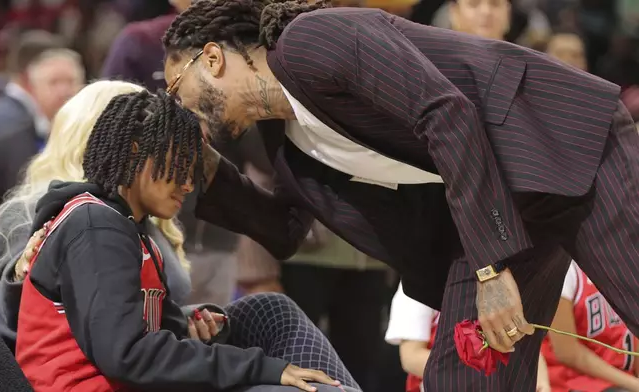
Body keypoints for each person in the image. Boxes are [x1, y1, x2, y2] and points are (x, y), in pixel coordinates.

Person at [124, 0, 639, 390]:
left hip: (567, 144)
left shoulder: (312, 38)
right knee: (462, 377)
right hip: (503, 203)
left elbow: (446, 112)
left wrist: (489, 268)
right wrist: (209, 168)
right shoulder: (285, 137)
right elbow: (284, 229)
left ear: (212, 59)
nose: (181, 109)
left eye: (176, 90)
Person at [14, 89, 355, 392]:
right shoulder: (94, 224)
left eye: (192, 172)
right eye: (180, 166)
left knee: (269, 309)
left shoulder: (128, 228)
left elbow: (128, 334)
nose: (189, 185)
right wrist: (260, 367)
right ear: (135, 152)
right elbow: (127, 356)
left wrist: (180, 323)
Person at [0, 81, 193, 352]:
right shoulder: (41, 213)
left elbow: (134, 312)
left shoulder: (137, 211)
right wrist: (21, 271)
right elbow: (19, 316)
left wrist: (188, 319)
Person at [102, 0, 240, 307]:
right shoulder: (141, 40)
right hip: (147, 223)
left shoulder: (242, 44)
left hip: (219, 230)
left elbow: (259, 154)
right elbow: (108, 122)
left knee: (210, 328)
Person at [385, 282, 551, 392]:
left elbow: (524, 342)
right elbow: (411, 357)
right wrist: (484, 379)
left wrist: (539, 379)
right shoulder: (418, 283)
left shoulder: (500, 279)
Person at [0, 30, 84, 203]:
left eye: (71, 81)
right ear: (32, 86)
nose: (64, 91)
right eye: (54, 82)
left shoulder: (84, 134)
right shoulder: (14, 133)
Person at [541, 261, 639, 392]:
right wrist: (633, 384)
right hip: (577, 382)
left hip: (623, 380)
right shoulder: (565, 271)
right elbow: (567, 353)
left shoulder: (625, 263)